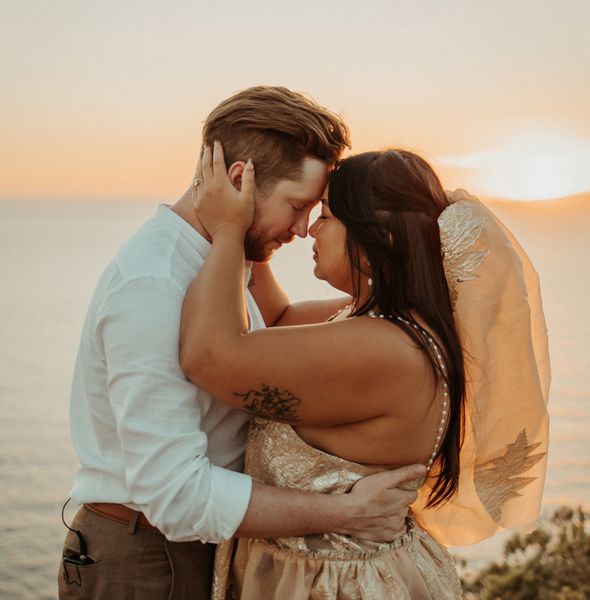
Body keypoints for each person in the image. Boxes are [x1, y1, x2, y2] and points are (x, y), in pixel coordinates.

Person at [58, 87, 425, 600]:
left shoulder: (219, 260)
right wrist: (348, 512)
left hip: (197, 547)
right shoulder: (155, 282)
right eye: (297, 207)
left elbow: (273, 329)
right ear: (238, 182)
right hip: (149, 560)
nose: (303, 229)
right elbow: (174, 496)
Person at [180, 143, 551, 599]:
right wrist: (257, 229)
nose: (312, 227)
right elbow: (273, 319)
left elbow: (209, 359)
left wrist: (227, 230)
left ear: (379, 237)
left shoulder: (383, 349)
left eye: (329, 216)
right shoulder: (377, 323)